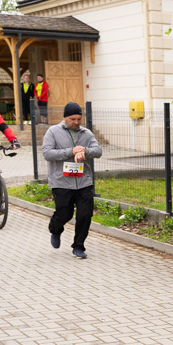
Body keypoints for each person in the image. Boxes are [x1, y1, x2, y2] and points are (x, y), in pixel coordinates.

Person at [42, 102, 103, 259]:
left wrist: (84, 150)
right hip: (62, 181)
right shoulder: (53, 132)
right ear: (65, 118)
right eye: (72, 119)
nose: (76, 122)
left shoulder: (86, 133)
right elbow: (47, 153)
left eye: (78, 119)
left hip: (84, 181)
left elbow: (98, 151)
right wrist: (70, 151)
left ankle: (78, 246)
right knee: (65, 214)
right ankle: (55, 229)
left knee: (85, 215)